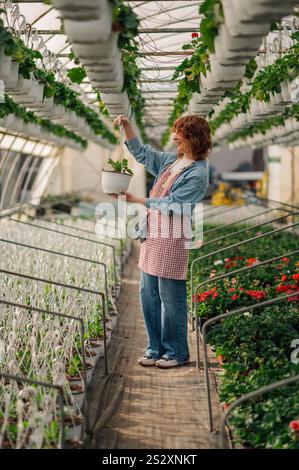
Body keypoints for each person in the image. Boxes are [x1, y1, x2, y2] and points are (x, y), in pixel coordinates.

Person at [113, 114, 211, 369]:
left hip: (172, 238)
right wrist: (128, 128)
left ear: (194, 139)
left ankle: (176, 352)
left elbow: (175, 205)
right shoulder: (172, 162)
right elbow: (144, 154)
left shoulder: (198, 173)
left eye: (181, 134)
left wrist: (137, 200)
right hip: (153, 235)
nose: (176, 138)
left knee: (171, 299)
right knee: (148, 295)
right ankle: (154, 348)